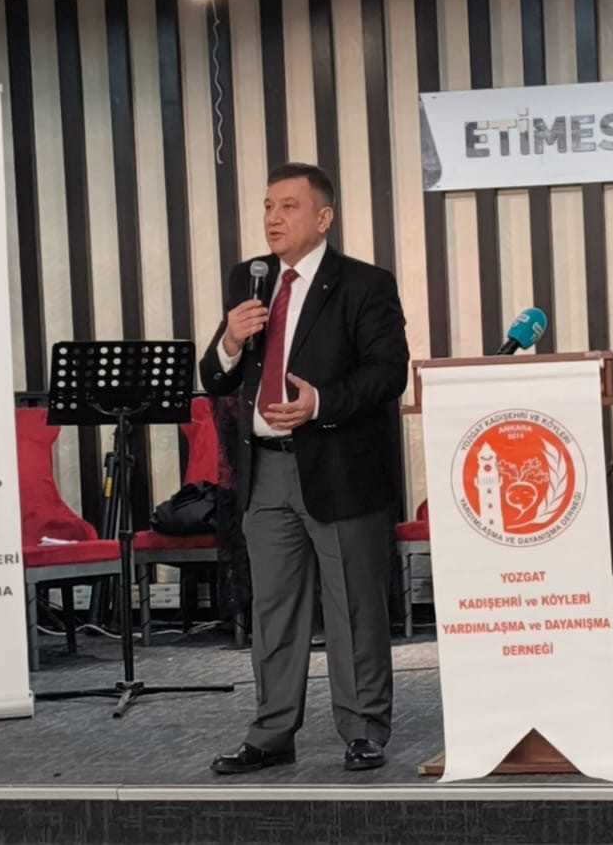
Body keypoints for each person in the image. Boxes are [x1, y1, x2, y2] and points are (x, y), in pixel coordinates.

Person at [199, 162, 408, 774]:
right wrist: (229, 343)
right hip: (264, 472)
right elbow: (215, 378)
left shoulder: (365, 285)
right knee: (273, 609)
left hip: (339, 466)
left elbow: (387, 373)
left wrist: (321, 403)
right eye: (268, 205)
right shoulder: (250, 279)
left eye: (289, 206)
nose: (273, 218)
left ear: (323, 218)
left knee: (353, 607)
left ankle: (363, 729)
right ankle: (271, 733)